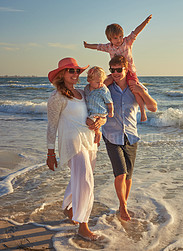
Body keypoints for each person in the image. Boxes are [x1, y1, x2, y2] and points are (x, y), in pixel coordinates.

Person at [46, 57, 105, 241]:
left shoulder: (82, 92)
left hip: (89, 140)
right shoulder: (57, 97)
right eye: (70, 70)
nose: (75, 74)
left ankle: (68, 207)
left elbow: (96, 110)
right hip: (72, 141)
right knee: (86, 180)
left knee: (80, 177)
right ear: (62, 74)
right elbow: (51, 126)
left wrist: (99, 124)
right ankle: (83, 226)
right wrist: (50, 152)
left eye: (77, 70)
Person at [102, 55, 157, 221]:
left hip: (131, 136)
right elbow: (89, 92)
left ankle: (122, 204)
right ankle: (123, 206)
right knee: (120, 174)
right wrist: (105, 82)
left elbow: (153, 107)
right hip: (111, 135)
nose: (116, 73)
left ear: (126, 69)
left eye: (119, 70)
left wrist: (141, 91)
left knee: (128, 176)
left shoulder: (135, 87)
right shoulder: (107, 88)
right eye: (113, 70)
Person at [83, 14, 152, 122]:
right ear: (110, 39)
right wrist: (87, 46)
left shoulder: (127, 42)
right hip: (116, 71)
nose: (119, 40)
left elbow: (136, 31)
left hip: (129, 72)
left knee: (135, 89)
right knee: (103, 83)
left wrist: (145, 22)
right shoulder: (109, 47)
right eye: (115, 38)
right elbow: (98, 46)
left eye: (120, 36)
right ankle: (95, 106)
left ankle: (143, 112)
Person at [84, 66, 114, 144]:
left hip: (99, 112)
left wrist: (111, 111)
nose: (100, 84)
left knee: (90, 122)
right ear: (89, 80)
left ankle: (98, 133)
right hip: (91, 112)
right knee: (90, 125)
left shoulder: (103, 89)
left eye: (102, 81)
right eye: (97, 82)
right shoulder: (86, 88)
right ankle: (96, 140)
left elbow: (109, 101)